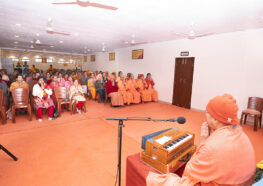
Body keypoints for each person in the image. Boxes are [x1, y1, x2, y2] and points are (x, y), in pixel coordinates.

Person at [147, 94, 255, 186]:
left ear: (216, 119)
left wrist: (203, 141)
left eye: (207, 112)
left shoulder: (211, 147)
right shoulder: (243, 136)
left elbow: (189, 173)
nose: (205, 115)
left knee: (160, 180)